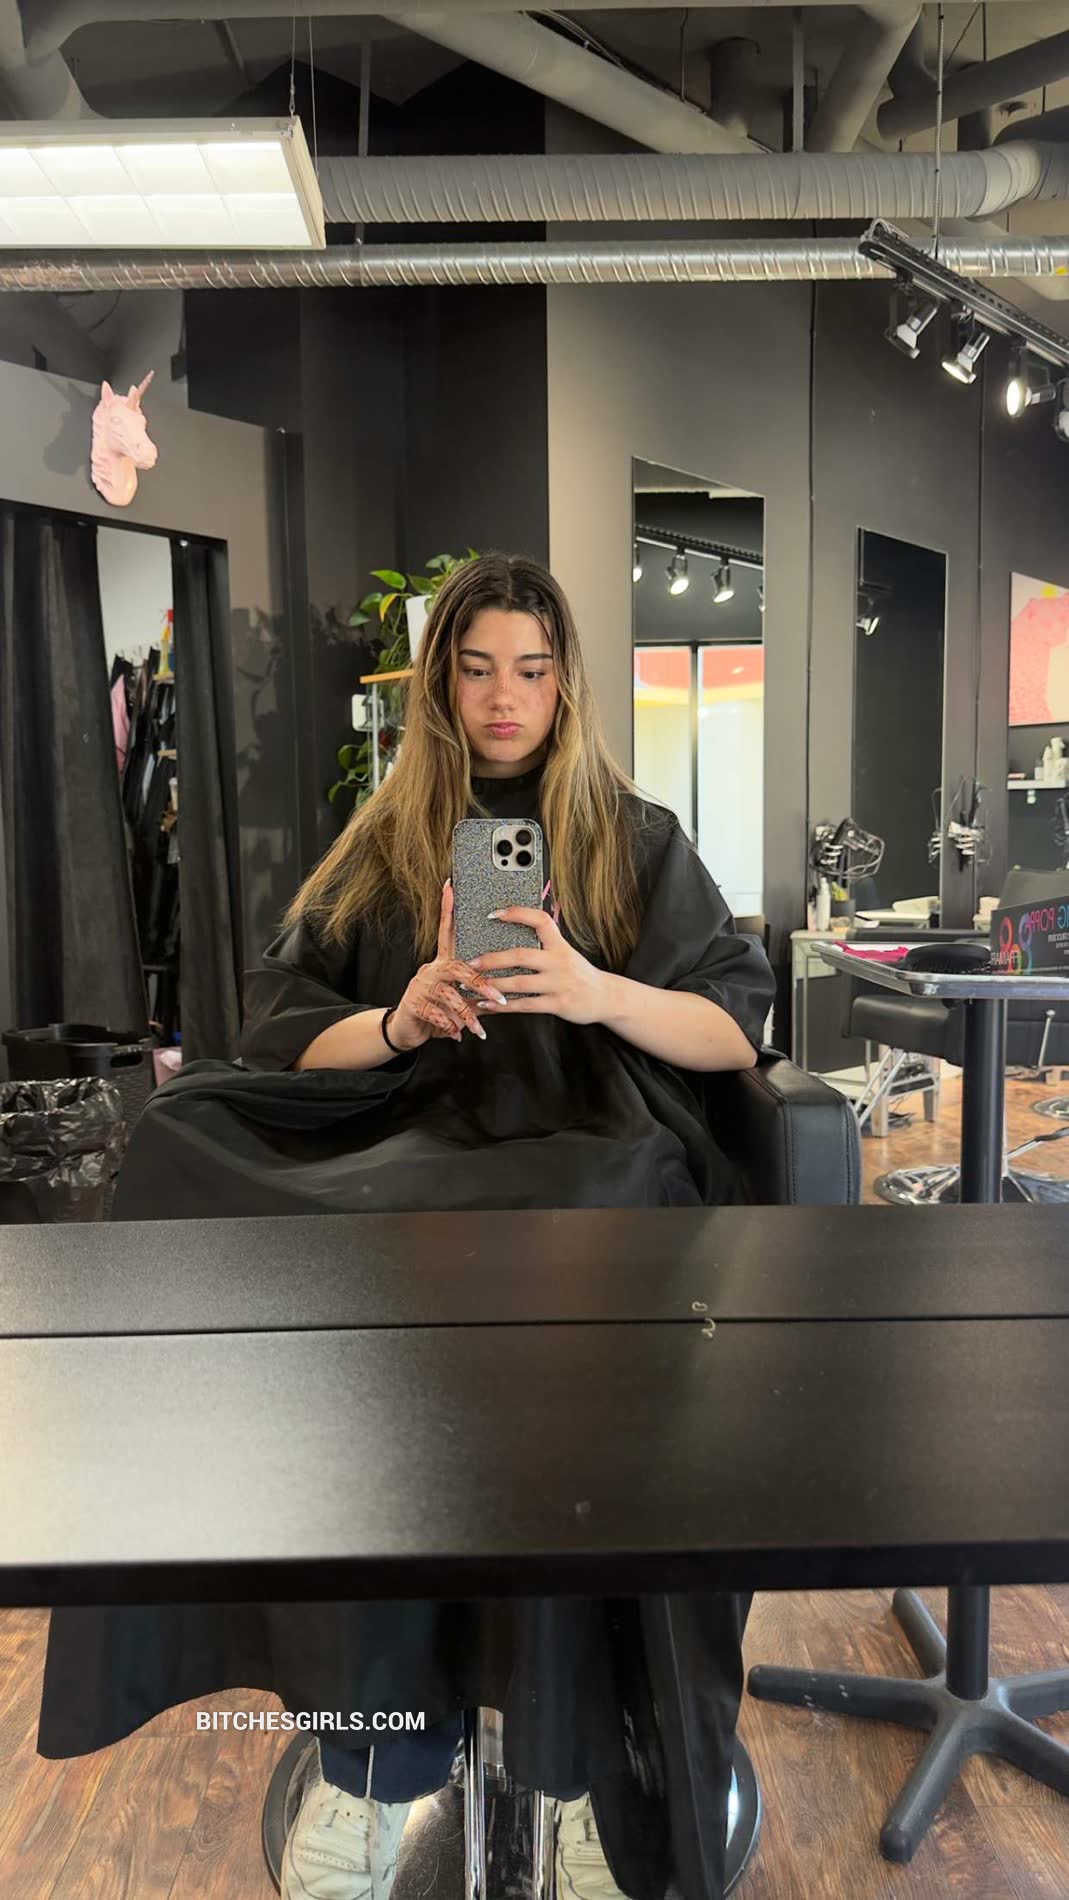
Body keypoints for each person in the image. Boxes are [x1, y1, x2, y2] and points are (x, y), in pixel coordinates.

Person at [36, 554, 775, 1900]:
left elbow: (736, 1024)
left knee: (584, 1231)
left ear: (566, 686)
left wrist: (591, 989)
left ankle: (584, 1758)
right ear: (441, 686)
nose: (504, 699)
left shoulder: (635, 836)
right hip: (410, 1129)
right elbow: (277, 1024)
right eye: (477, 670)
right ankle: (378, 1746)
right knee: (181, 1142)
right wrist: (400, 1015)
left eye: (530, 671)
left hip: (589, 1139)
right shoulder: (387, 838)